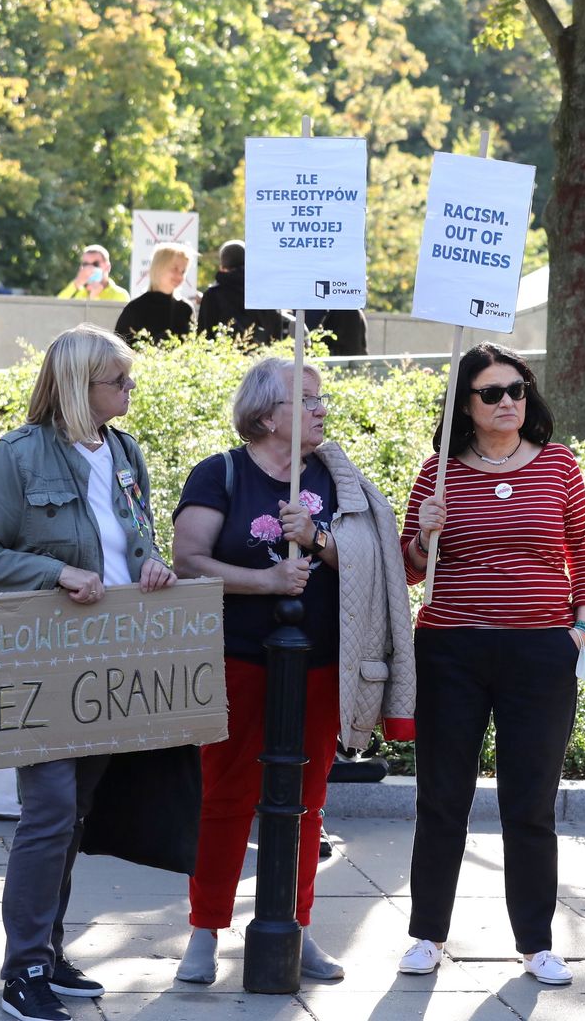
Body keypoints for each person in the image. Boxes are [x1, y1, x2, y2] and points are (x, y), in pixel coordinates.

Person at [0, 323, 177, 1021]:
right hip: (45, 659)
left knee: (75, 811)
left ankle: (47, 948)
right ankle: (23, 972)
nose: (130, 389)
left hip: (110, 656)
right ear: (81, 386)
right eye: (120, 380)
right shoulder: (18, 457)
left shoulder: (125, 450)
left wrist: (150, 564)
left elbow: (134, 536)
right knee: (48, 811)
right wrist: (55, 572)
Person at [170, 357, 415, 984]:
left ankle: (297, 925)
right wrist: (265, 580)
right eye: (305, 399)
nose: (320, 408)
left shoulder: (338, 481)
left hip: (319, 665)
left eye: (320, 398)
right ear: (265, 414)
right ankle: (204, 931)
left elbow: (375, 555)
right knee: (225, 796)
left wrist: (322, 539)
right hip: (238, 660)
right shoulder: (220, 474)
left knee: (307, 802)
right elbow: (188, 559)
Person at [397, 342, 585, 986]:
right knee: (442, 799)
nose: (508, 401)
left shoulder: (560, 467)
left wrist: (581, 629)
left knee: (530, 802)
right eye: (492, 393)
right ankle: (427, 934)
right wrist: (423, 533)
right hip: (451, 649)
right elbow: (408, 571)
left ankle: (536, 942)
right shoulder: (438, 473)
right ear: (466, 404)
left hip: (540, 652)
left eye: (516, 390)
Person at [198, 240, 285, 345]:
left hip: (225, 359)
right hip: (264, 358)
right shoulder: (267, 293)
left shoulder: (212, 295)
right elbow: (276, 336)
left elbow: (203, 337)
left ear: (222, 267)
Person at [114, 242, 194, 345]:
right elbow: (117, 352)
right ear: (158, 267)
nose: (179, 275)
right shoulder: (135, 309)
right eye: (175, 269)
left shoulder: (185, 309)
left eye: (183, 271)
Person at [56, 244, 130, 303]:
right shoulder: (79, 292)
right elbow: (55, 308)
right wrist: (76, 283)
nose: (90, 269)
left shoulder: (120, 295)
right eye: (86, 264)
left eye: (95, 264)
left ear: (107, 267)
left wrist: (94, 298)